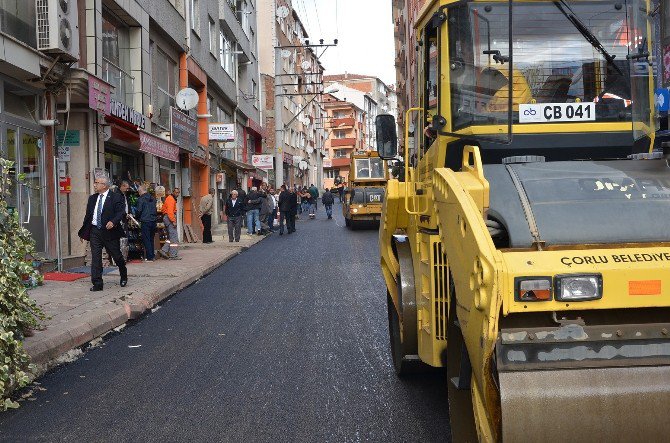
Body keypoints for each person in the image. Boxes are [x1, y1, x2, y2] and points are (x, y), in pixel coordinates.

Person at [77, 176, 128, 291]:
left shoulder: (115, 197)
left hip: (109, 231)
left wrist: (113, 221)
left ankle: (123, 274)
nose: (94, 185)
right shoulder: (92, 198)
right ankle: (97, 283)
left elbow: (121, 212)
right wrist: (83, 232)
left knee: (117, 256)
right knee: (95, 258)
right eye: (94, 182)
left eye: (96, 183)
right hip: (95, 231)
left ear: (104, 185)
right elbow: (88, 217)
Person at [135, 185, 157, 261]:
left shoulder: (141, 199)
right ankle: (152, 255)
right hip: (153, 220)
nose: (138, 193)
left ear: (141, 191)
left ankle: (150, 257)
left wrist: (136, 217)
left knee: (146, 239)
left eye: (138, 191)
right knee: (151, 239)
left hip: (145, 221)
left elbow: (139, 210)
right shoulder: (152, 198)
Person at [159, 187, 181, 259]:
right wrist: (173, 221)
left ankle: (164, 250)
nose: (177, 194)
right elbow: (170, 212)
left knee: (170, 237)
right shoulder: (171, 199)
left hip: (167, 218)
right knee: (174, 238)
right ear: (173, 192)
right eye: (176, 192)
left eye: (178, 193)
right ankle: (173, 255)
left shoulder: (170, 198)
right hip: (169, 219)